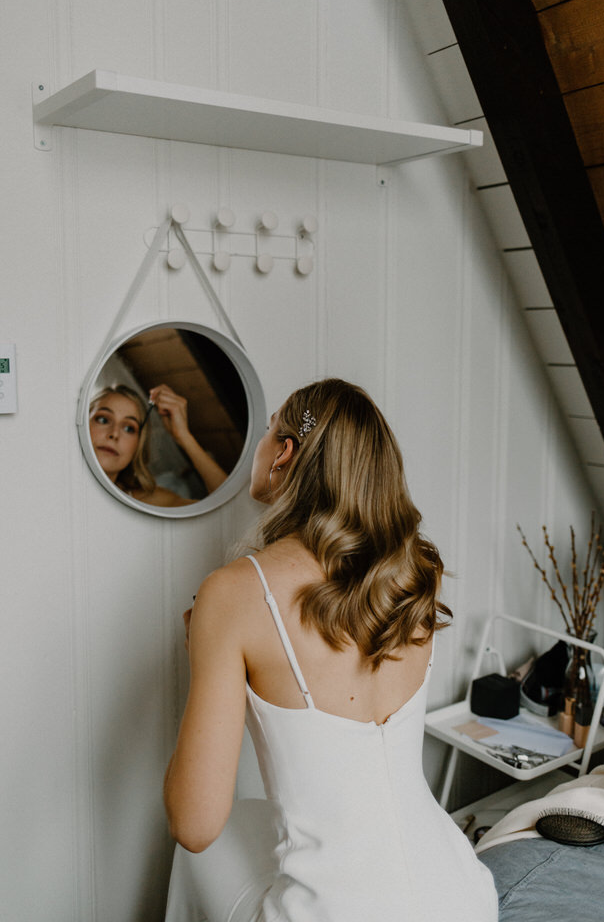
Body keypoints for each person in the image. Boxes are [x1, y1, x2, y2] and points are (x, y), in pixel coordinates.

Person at [163, 378, 498, 922]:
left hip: (333, 912)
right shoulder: (415, 571)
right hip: (462, 897)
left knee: (194, 851)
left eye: (270, 429)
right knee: (252, 819)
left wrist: (206, 659)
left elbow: (193, 826)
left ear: (285, 453)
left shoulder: (233, 592)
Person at [89, 384, 227, 507]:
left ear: (138, 446)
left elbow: (232, 508)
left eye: (129, 428)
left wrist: (183, 436)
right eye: (103, 420)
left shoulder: (150, 501)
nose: (114, 434)